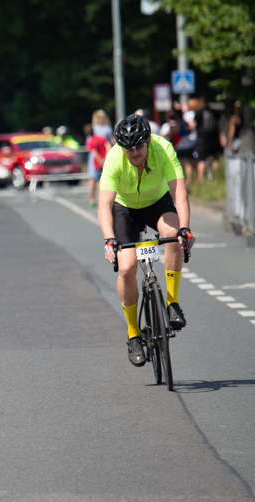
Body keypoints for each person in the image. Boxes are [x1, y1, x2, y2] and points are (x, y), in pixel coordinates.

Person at [98, 114, 193, 367]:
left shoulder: (164, 149)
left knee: (173, 236)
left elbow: (179, 192)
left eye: (138, 146)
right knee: (127, 267)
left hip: (157, 203)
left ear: (148, 141)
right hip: (124, 208)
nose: (134, 152)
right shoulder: (114, 158)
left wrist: (185, 228)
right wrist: (109, 239)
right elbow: (104, 204)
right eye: (128, 147)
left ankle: (172, 302)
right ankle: (133, 334)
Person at [193, 95, 224, 181]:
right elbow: (218, 126)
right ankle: (217, 178)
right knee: (215, 159)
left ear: (200, 102)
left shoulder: (198, 113)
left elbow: (194, 126)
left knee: (201, 159)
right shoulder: (214, 112)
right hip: (214, 139)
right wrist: (220, 136)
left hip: (202, 139)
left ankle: (201, 180)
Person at [86, 125, 110, 209]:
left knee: (99, 182)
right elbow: (108, 147)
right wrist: (105, 158)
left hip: (97, 164)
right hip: (105, 162)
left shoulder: (91, 141)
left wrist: (100, 162)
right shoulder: (102, 138)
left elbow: (95, 153)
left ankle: (100, 200)